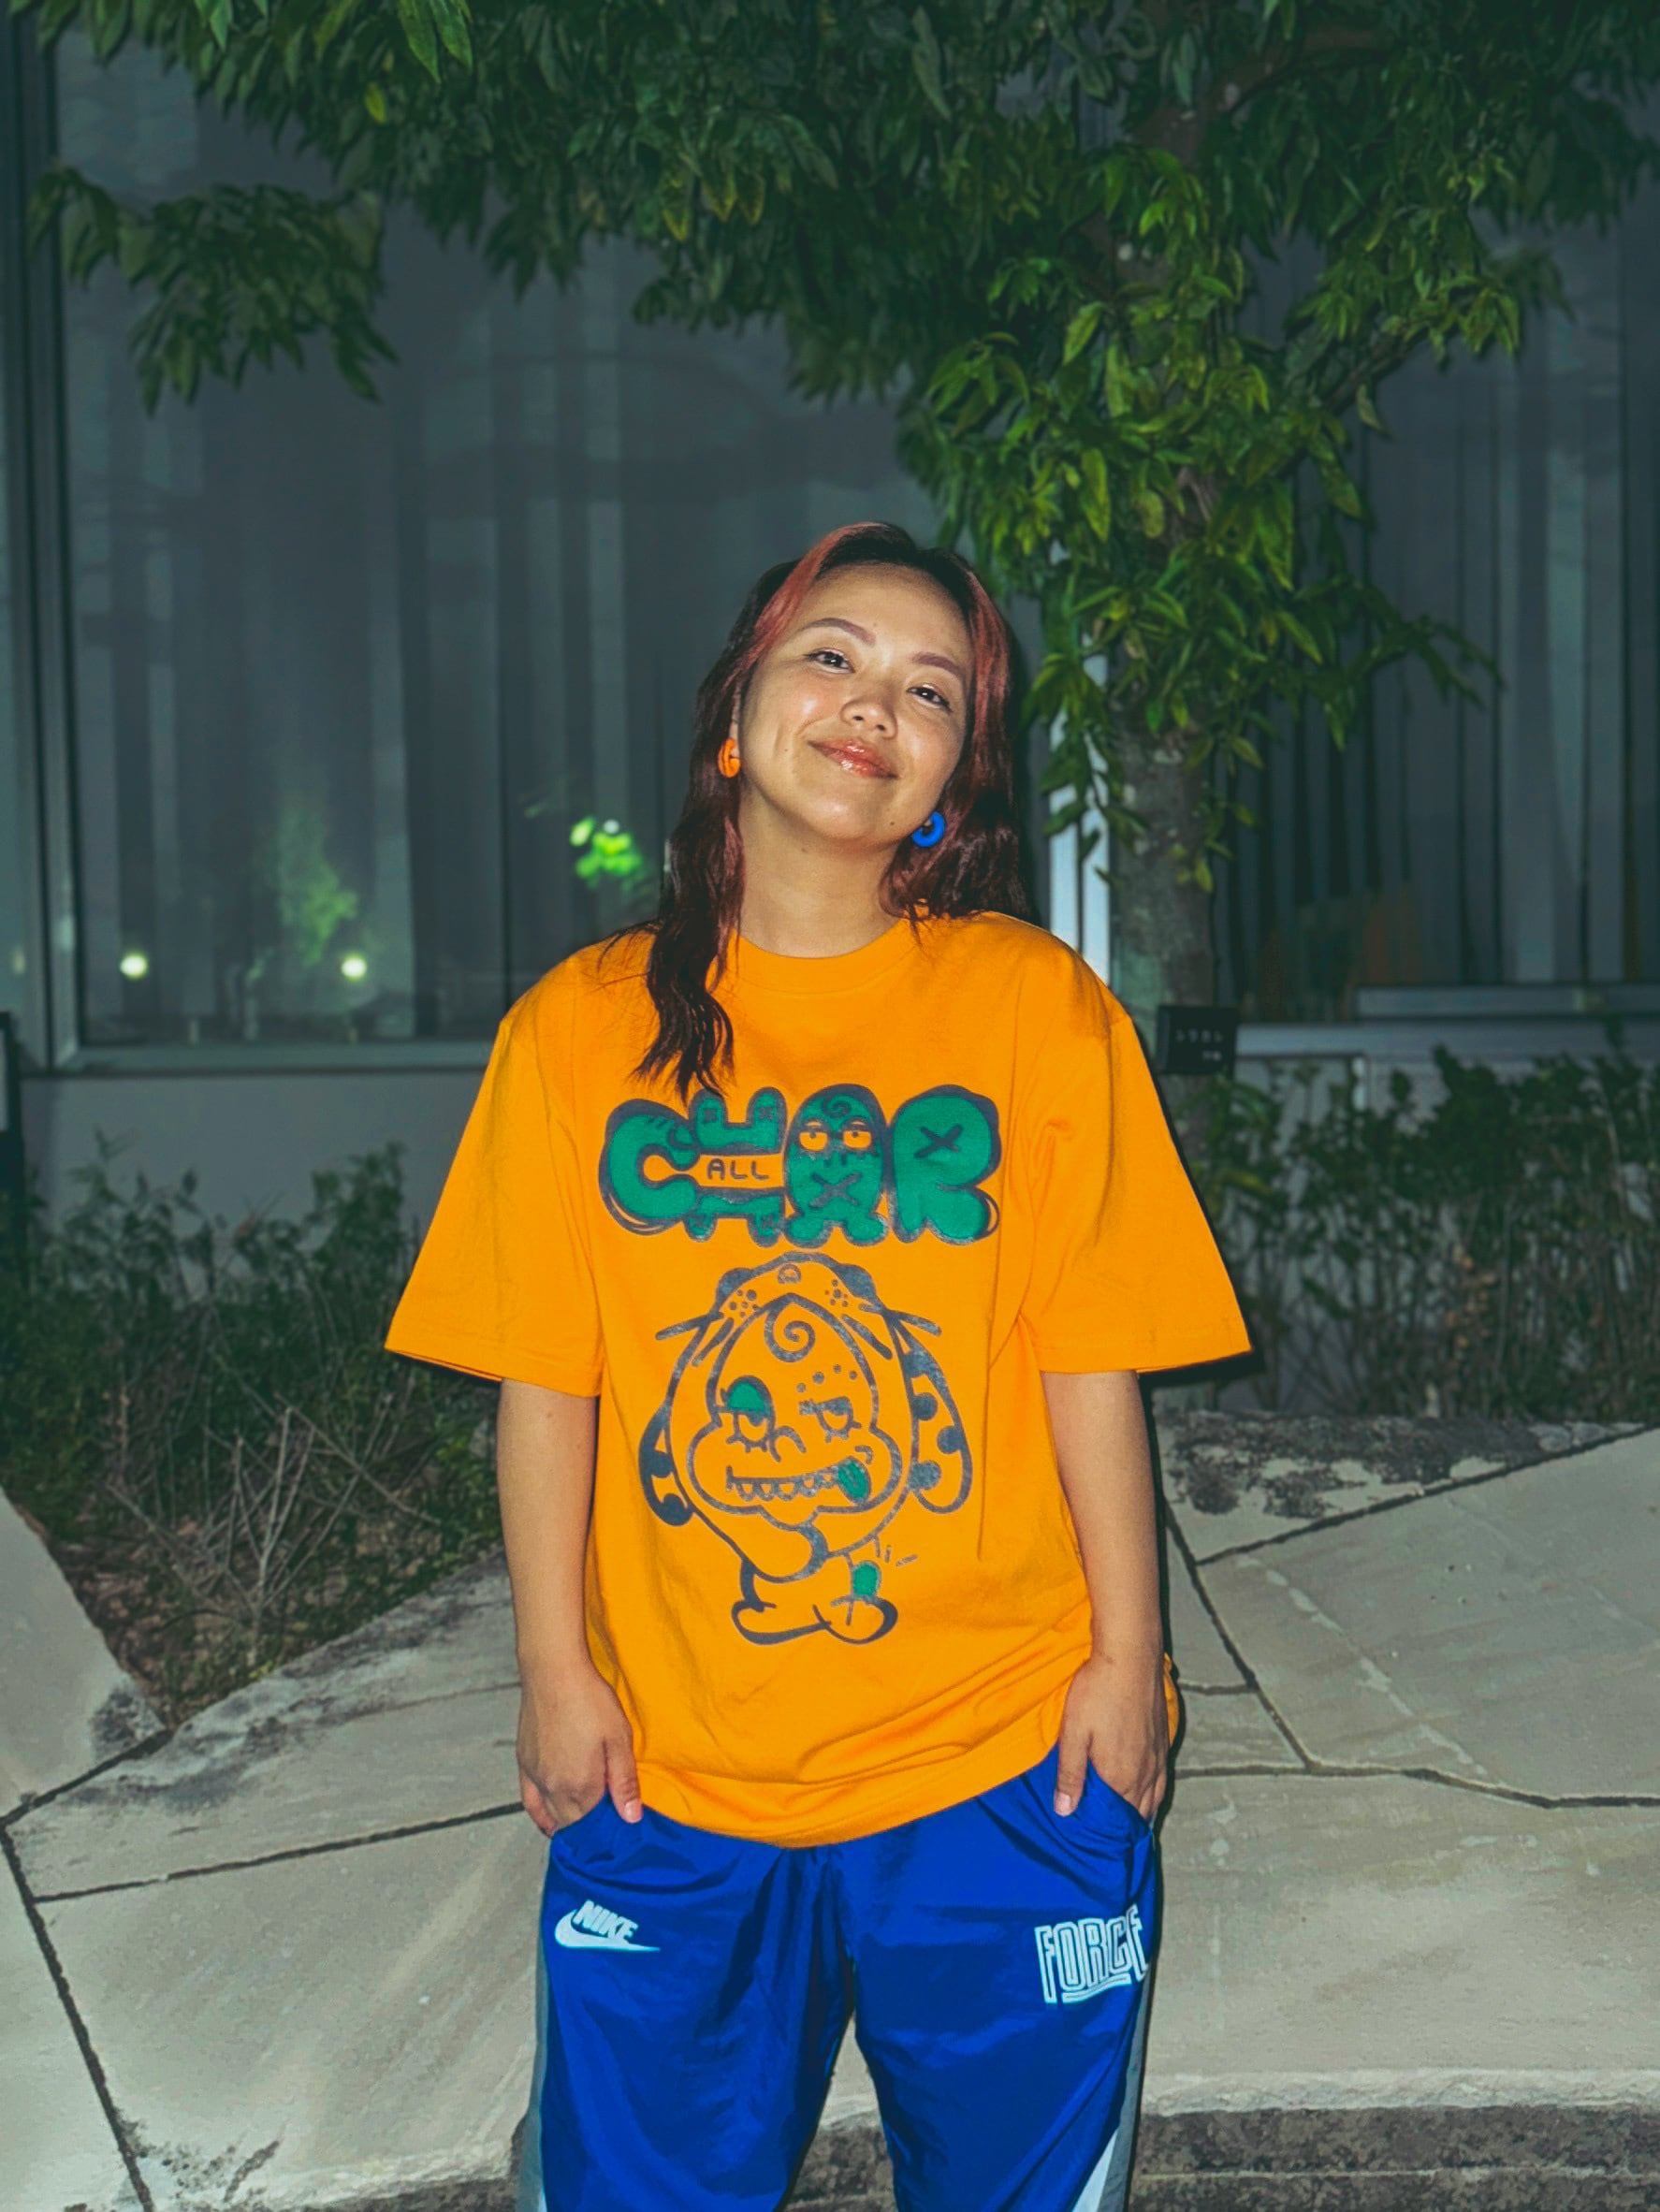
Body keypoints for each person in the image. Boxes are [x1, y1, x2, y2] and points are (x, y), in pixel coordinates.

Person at [385, 519, 1249, 2211]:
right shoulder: (575, 1030)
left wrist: (1125, 1660)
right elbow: (546, 1379)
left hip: (1006, 1763)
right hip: (671, 1770)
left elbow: (1091, 1360)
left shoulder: (1035, 1010)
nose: (873, 705)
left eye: (931, 692)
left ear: (950, 784)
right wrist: (554, 1672)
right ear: (738, 712)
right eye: (832, 657)